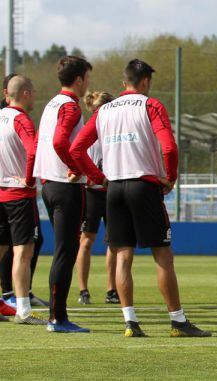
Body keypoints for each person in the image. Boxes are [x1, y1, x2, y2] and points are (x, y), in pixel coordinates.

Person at [70, 59, 210, 338]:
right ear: (145, 82)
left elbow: (75, 150)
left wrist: (97, 177)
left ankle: (130, 323)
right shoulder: (151, 105)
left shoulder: (104, 110)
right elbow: (169, 147)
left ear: (124, 83)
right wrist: (170, 177)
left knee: (123, 255)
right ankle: (178, 321)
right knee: (162, 255)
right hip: (143, 185)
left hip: (114, 188)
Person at [34, 55, 94, 332]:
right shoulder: (70, 106)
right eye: (87, 79)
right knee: (65, 253)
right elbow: (60, 141)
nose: (87, 85)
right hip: (66, 186)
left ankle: (57, 315)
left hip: (48, 183)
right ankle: (57, 318)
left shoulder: (50, 104)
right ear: (79, 79)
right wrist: (75, 166)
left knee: (63, 252)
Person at [0, 74, 46, 325]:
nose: (36, 96)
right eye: (34, 92)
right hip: (18, 195)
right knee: (23, 252)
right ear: (25, 93)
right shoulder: (22, 120)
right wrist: (29, 179)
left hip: (0, 192)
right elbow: (33, 151)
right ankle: (24, 311)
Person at [74, 91, 117, 305]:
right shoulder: (88, 130)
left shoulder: (114, 129)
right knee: (86, 241)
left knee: (114, 242)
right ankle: (83, 290)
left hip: (112, 191)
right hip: (92, 191)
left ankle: (112, 289)